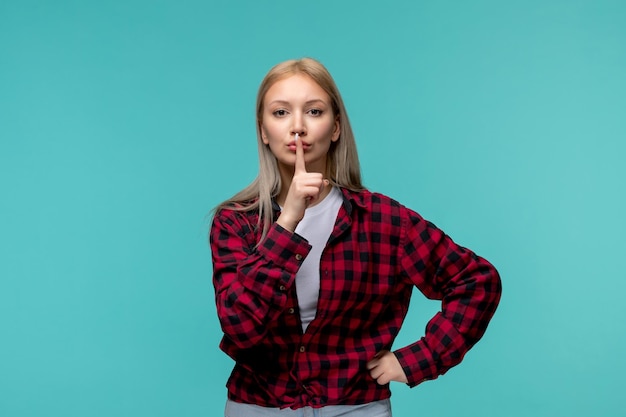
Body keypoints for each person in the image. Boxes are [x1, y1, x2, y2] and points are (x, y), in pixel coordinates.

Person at [209, 57, 501, 417]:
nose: (297, 127)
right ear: (263, 131)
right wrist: (288, 222)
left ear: (335, 128)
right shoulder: (235, 223)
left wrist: (415, 361)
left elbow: (476, 282)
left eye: (314, 112)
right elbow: (239, 326)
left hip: (356, 407)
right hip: (258, 407)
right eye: (281, 113)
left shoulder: (385, 221)